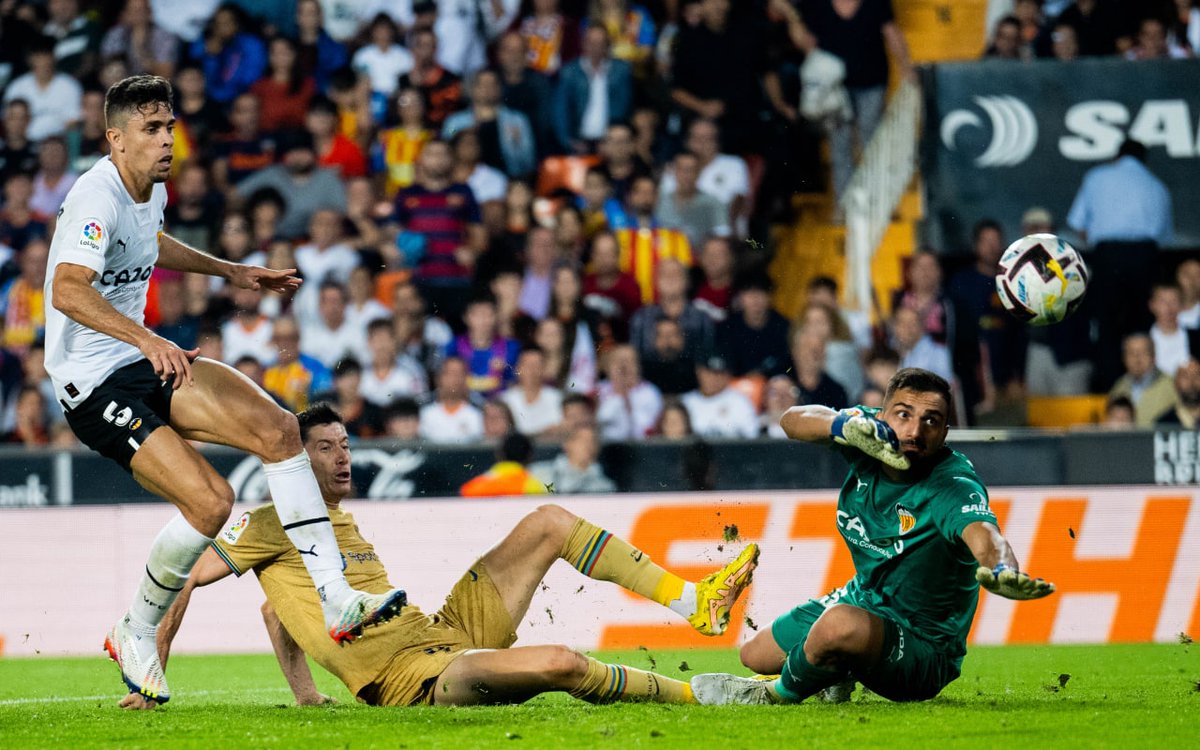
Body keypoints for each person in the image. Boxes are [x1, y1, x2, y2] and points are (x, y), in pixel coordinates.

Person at [44, 75, 404, 705]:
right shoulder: (94, 197)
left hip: (139, 356)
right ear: (115, 139)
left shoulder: (149, 189)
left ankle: (336, 598)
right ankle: (135, 629)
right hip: (94, 382)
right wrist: (146, 339)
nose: (166, 140)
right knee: (211, 504)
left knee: (282, 431)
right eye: (151, 129)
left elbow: (150, 242)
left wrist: (229, 270)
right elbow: (67, 289)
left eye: (169, 126)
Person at [130, 403, 758, 710]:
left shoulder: (337, 523)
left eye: (345, 444)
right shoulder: (270, 523)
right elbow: (182, 577)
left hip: (444, 632)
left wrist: (307, 697)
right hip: (413, 679)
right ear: (295, 459)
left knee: (547, 521)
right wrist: (151, 672)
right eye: (325, 448)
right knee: (562, 661)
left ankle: (694, 601)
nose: (343, 457)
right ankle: (700, 696)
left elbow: (279, 612)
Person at [689, 368, 1055, 706]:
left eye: (931, 420)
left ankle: (771, 695)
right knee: (754, 654)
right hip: (866, 599)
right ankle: (837, 670)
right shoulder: (865, 435)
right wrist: (841, 425)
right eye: (904, 414)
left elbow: (985, 536)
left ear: (945, 433)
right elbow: (792, 420)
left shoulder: (951, 485)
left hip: (923, 648)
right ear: (882, 416)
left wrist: (1003, 569)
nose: (914, 431)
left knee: (838, 625)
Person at [1067, 139, 1173, 390]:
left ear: (1117, 157)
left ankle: (1113, 393)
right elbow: (1164, 238)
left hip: (1109, 257)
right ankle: (1144, 391)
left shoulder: (1096, 177)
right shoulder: (1157, 186)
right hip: (1144, 258)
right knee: (1141, 328)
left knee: (1106, 328)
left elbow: (1078, 225)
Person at [680, 354, 760, 439]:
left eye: (719, 373)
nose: (714, 378)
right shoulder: (685, 401)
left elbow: (752, 437)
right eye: (709, 372)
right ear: (699, 372)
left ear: (728, 375)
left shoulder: (740, 401)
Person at [1107, 333, 1177, 428]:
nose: (1137, 359)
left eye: (1143, 352)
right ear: (1124, 358)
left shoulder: (1171, 386)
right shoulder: (1119, 387)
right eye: (1131, 353)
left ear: (1153, 356)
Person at [529, 423, 616, 494]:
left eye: (593, 441)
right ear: (567, 444)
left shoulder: (605, 486)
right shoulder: (537, 473)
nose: (589, 446)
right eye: (583, 441)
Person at [460, 430, 549, 497]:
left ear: (499, 454)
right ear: (530, 456)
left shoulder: (475, 486)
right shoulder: (534, 486)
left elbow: (465, 493)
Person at [499, 346, 564, 437]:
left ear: (544, 368)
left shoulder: (557, 399)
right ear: (518, 368)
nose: (532, 370)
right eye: (527, 365)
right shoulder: (505, 400)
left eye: (537, 365)